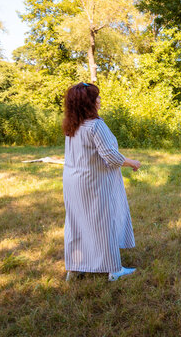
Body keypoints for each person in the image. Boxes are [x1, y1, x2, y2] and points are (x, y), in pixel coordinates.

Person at [62, 82, 141, 281]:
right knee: (103, 222)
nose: (99, 100)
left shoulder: (72, 125)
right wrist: (133, 162)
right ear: (86, 102)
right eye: (95, 97)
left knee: (77, 221)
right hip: (94, 182)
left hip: (73, 181)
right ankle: (114, 269)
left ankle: (74, 266)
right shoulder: (96, 125)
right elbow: (111, 156)